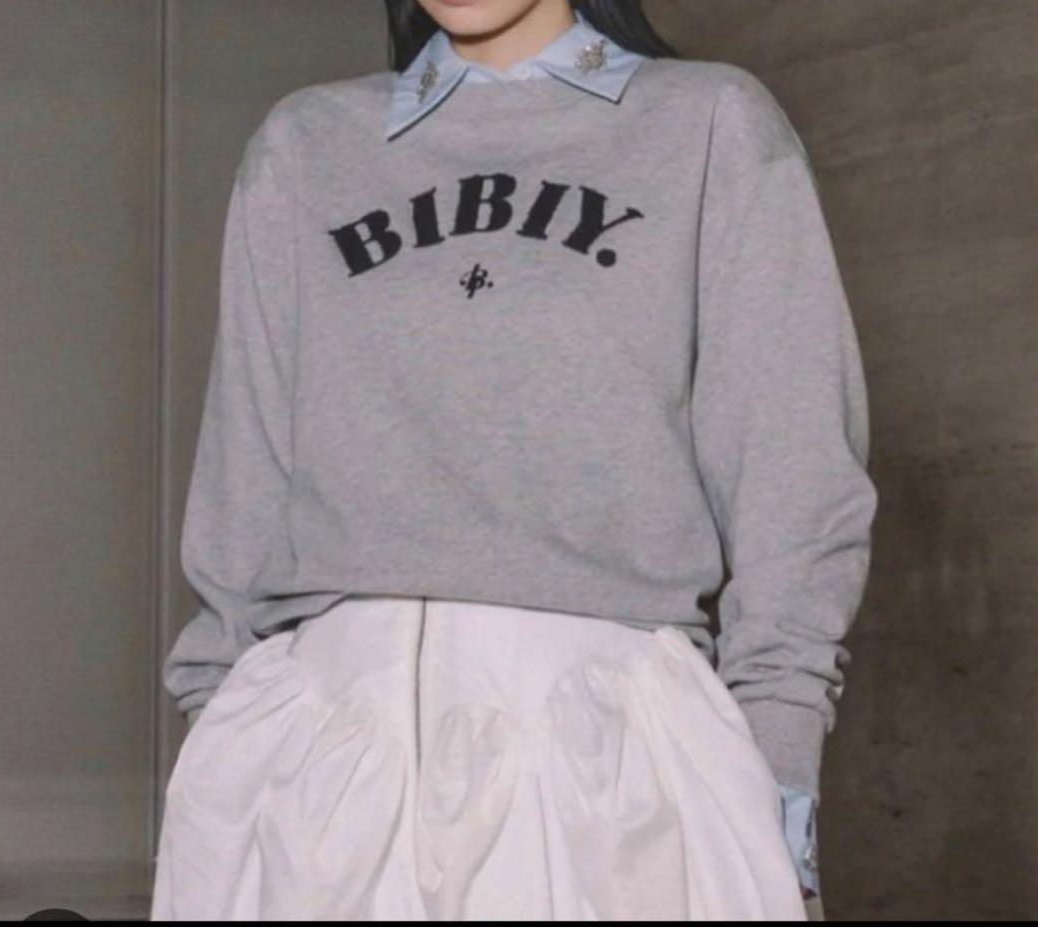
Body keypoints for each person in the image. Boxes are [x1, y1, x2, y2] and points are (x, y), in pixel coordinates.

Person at [151, 0, 877, 920]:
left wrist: (775, 783)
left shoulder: (708, 124)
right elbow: (243, 478)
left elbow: (793, 482)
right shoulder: (305, 145)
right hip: (318, 766)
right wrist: (219, 758)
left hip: (608, 766)